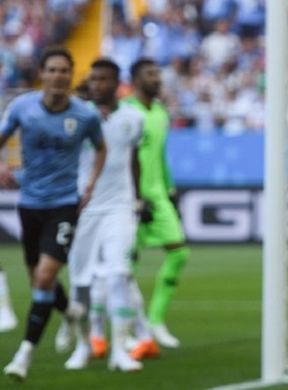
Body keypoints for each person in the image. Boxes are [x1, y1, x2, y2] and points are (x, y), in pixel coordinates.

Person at [0, 47, 106, 381]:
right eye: (52, 70)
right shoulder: (22, 107)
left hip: (64, 203)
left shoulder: (85, 115)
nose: (58, 76)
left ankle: (24, 356)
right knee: (38, 281)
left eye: (64, 71)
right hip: (30, 203)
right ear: (42, 74)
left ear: (71, 76)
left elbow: (101, 147)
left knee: (45, 277)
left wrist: (89, 184)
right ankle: (70, 312)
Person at [63, 58, 146, 372]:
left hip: (120, 208)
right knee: (80, 282)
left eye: (103, 79)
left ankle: (120, 351)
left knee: (118, 274)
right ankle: (84, 345)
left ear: (116, 83)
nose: (97, 84)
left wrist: (137, 199)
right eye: (93, 79)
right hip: (84, 209)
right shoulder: (78, 118)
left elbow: (134, 159)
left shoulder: (133, 118)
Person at [123, 58, 189, 349]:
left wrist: (170, 189)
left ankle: (154, 320)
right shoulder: (126, 112)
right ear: (136, 79)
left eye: (158, 73)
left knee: (179, 253)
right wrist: (135, 197)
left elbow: (160, 156)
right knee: (125, 265)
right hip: (128, 199)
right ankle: (125, 328)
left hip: (158, 196)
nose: (157, 78)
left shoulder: (161, 113)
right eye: (151, 74)